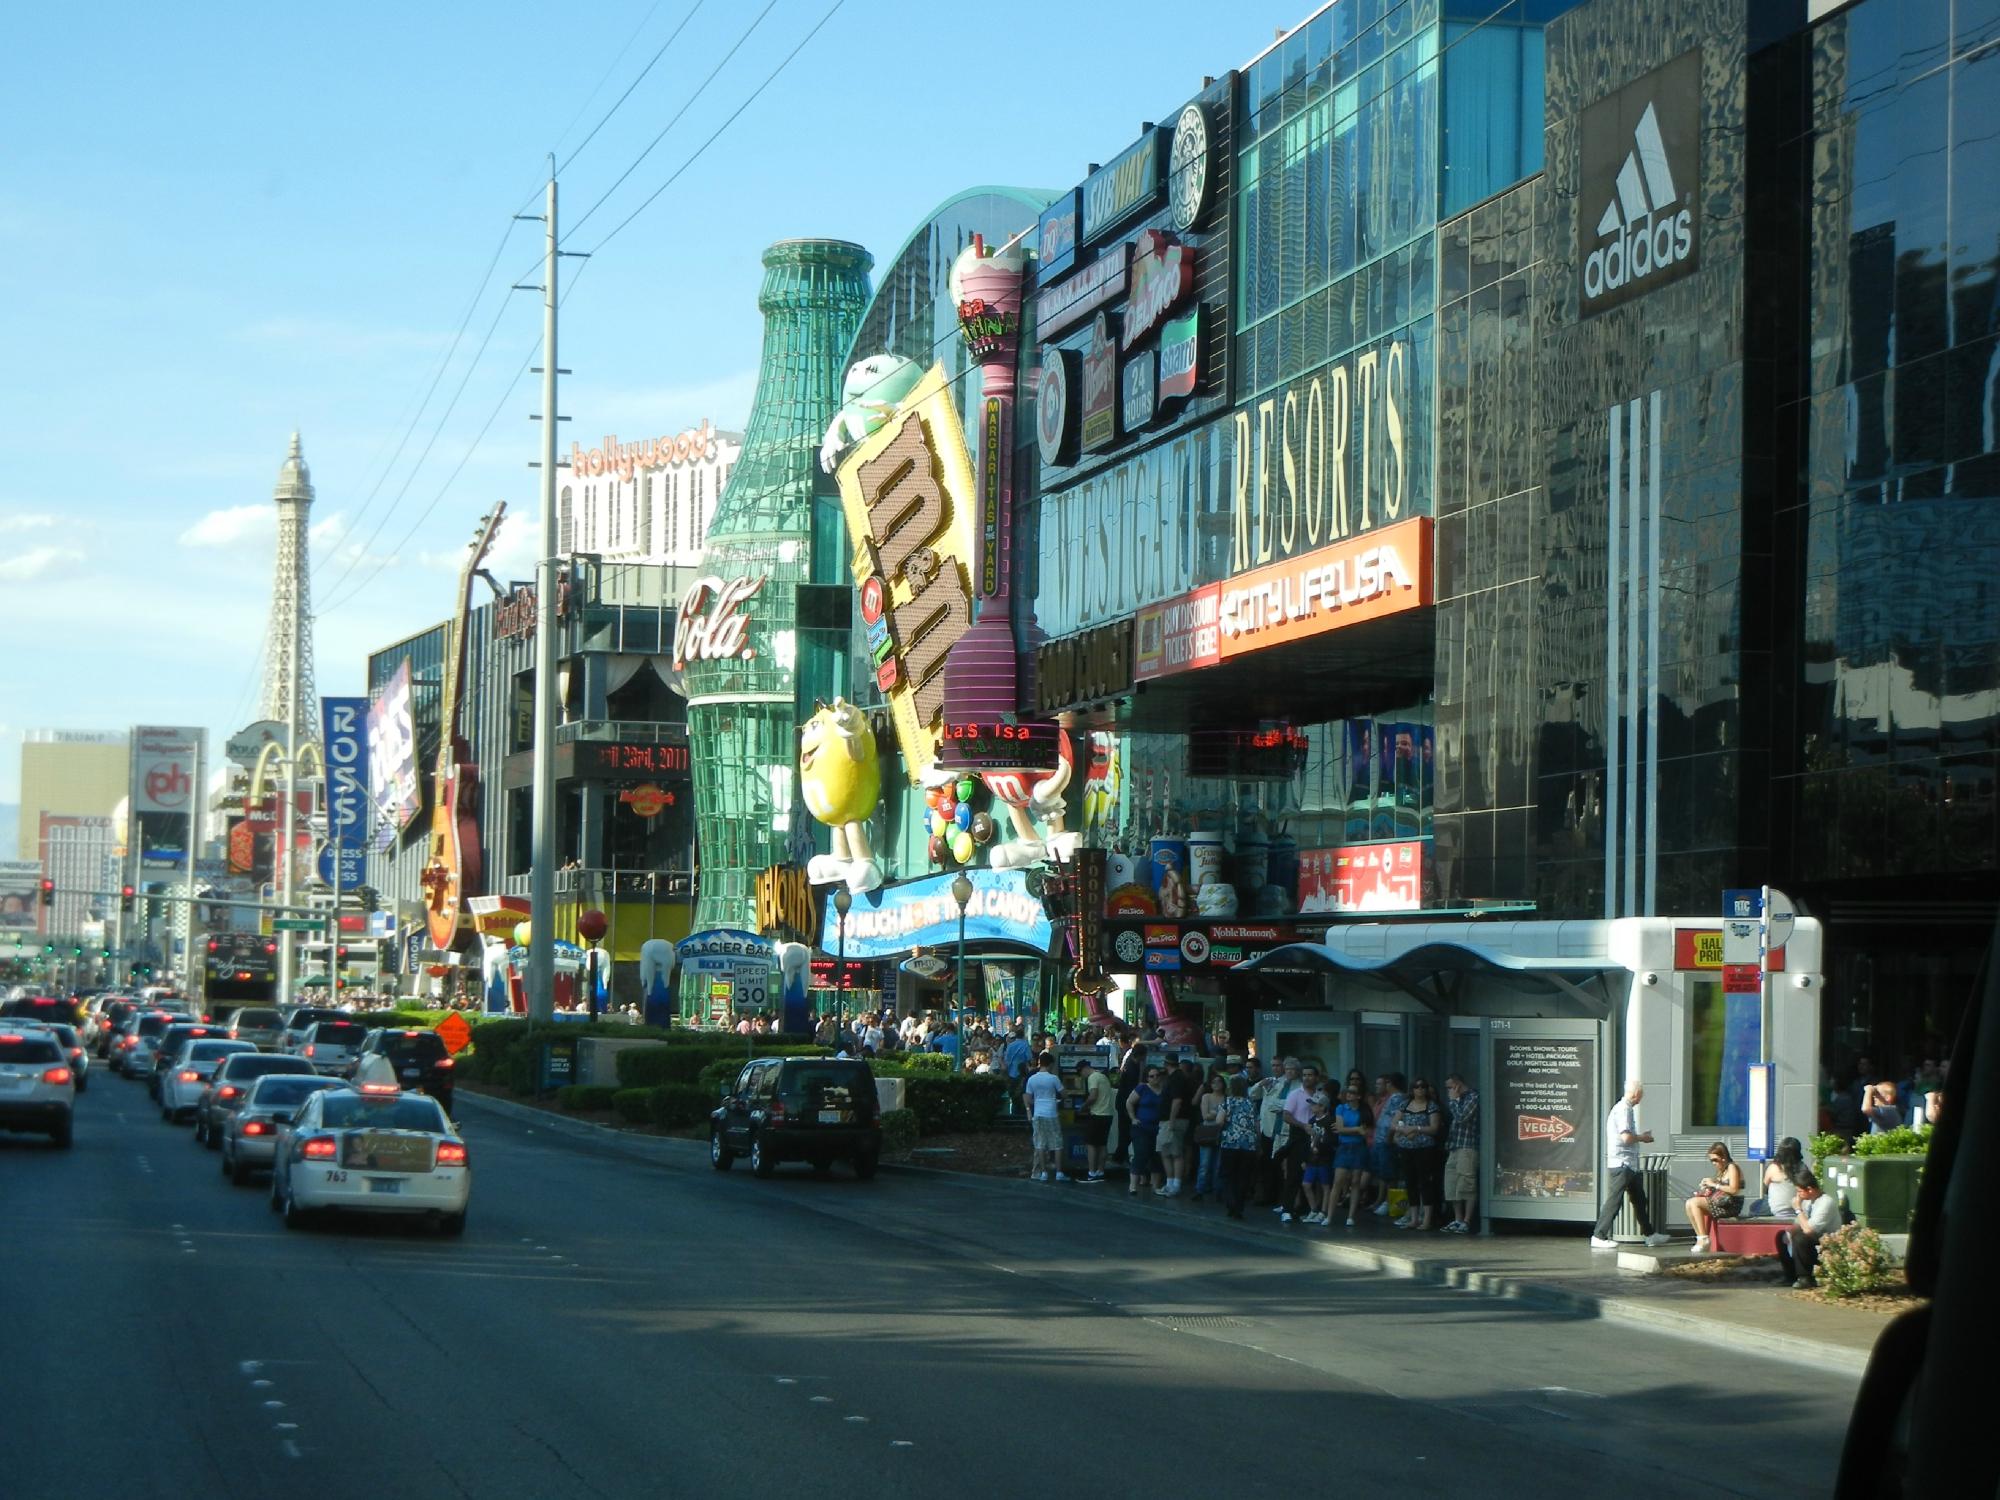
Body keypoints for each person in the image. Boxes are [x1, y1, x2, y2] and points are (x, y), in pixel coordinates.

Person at [1590, 1079, 1673, 1249]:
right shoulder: (1624, 1110)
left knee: (1640, 1199)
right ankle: (1599, 1236)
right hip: (1623, 1163)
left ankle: (1650, 1234)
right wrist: (1643, 1138)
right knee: (1615, 1199)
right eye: (1641, 1095)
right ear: (1636, 1094)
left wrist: (1640, 1136)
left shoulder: (1622, 1109)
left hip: (1628, 1164)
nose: (1640, 1099)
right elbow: (1626, 1137)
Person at [1391, 1078, 1446, 1231]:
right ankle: (1414, 1218)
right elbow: (1394, 1123)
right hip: (1406, 1147)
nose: (1420, 1089)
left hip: (1425, 1148)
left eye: (1423, 1087)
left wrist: (1416, 1128)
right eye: (1417, 1087)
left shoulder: (1432, 1106)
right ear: (1412, 1089)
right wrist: (1404, 1130)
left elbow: (1434, 1128)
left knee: (1425, 1182)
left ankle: (1426, 1219)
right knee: (1410, 1182)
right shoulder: (1405, 1104)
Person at [1775, 1170, 1842, 1289]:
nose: (1798, 1195)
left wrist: (1797, 1209)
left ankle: (1805, 1277)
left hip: (1825, 1242)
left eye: (1800, 1191)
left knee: (1801, 1238)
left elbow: (1809, 1230)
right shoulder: (1808, 1201)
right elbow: (1800, 1223)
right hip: (1813, 1238)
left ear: (1810, 1189)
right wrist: (1789, 1232)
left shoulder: (1826, 1203)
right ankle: (1790, 1275)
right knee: (1782, 1236)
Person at [1685, 1140, 1746, 1251]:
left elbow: (1734, 1189)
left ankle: (1704, 1238)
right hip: (1722, 1202)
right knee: (1689, 1203)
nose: (1713, 1163)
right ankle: (1700, 1237)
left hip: (1730, 1204)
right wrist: (1708, 1188)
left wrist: (1714, 1184)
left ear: (1723, 1157)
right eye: (1711, 1160)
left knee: (1694, 1203)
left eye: (1715, 1160)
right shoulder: (1722, 1170)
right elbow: (1719, 1188)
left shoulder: (1732, 1167)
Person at [1329, 1082, 1373, 1227]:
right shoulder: (1341, 1108)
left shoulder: (1364, 1111)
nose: (1349, 1094)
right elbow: (1340, 1128)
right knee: (1338, 1181)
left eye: (1353, 1092)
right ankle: (1329, 1216)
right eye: (1348, 1091)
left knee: (1355, 1182)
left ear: (1359, 1096)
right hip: (1345, 1146)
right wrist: (1356, 1129)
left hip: (1359, 1147)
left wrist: (1356, 1130)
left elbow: (1367, 1130)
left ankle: (1351, 1216)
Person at [1218, 1074, 1260, 1219]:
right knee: (1244, 1176)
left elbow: (1219, 1121)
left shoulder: (1227, 1102)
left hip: (1230, 1142)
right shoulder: (1251, 1104)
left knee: (1228, 1175)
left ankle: (1231, 1203)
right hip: (1248, 1144)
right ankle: (1239, 1206)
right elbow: (1257, 1125)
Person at [1442, 1073, 1480, 1234]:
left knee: (1467, 1183)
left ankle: (1466, 1220)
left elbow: (1462, 1117)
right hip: (1454, 1145)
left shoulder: (1473, 1097)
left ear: (1457, 1085)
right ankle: (1457, 1219)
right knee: (1452, 1183)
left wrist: (1454, 1100)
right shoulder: (1457, 1100)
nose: (1449, 1091)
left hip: (1468, 1145)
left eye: (1450, 1087)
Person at [1024, 1052, 1068, 1183]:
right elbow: (1064, 1094)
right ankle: (1059, 1173)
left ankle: (1043, 1173)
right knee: (1057, 1143)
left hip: (1038, 1113)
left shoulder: (1032, 1079)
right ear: (1050, 1064)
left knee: (1040, 1144)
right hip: (1052, 1113)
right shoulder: (1053, 1078)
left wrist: (1034, 1105)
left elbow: (1028, 1097)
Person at [1155, 1055, 1195, 1198]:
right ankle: (1171, 1183)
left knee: (1173, 1152)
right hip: (1174, 1119)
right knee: (1167, 1151)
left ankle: (1174, 1184)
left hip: (1173, 1120)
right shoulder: (1179, 1078)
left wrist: (1172, 1120)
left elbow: (1177, 1101)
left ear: (1166, 1064)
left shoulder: (1175, 1079)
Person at [1369, 1072, 1407, 1217]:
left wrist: (1390, 1137)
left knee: (1390, 1173)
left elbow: (1395, 1120)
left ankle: (1389, 1202)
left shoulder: (1397, 1098)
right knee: (1383, 1173)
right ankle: (1381, 1199)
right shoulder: (1391, 1098)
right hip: (1381, 1139)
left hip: (1387, 1140)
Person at [1125, 1065, 1166, 1196]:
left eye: (1157, 1075)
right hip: (1141, 1127)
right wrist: (1133, 1118)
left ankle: (1155, 1186)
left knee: (1156, 1156)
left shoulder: (1164, 1090)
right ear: (1147, 1078)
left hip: (1158, 1127)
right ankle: (1133, 1186)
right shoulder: (1142, 1088)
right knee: (1141, 1154)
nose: (1155, 1078)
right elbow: (1129, 1102)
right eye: (1151, 1076)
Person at [1073, 1056, 1114, 1182]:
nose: (1082, 1076)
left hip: (1097, 1114)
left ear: (1084, 1069)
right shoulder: (1101, 1076)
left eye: (1080, 1072)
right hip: (1107, 1114)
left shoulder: (1092, 1078)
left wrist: (1083, 1107)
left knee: (1091, 1144)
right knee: (1102, 1144)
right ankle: (1100, 1171)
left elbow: (1093, 1096)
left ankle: (1091, 1172)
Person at [1299, 1090, 1336, 1224]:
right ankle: (1313, 1209)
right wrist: (1305, 1158)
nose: (1312, 1106)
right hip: (1312, 1159)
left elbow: (1331, 1141)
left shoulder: (1329, 1121)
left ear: (1322, 1107)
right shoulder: (1312, 1120)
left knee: (1325, 1185)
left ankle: (1323, 1212)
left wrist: (1319, 1147)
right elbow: (1307, 1141)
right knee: (1306, 1184)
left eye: (1314, 1104)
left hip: (1324, 1159)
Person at [1193, 1070, 1227, 1202]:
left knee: (1218, 1164)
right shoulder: (1206, 1096)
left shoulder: (1226, 1098)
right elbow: (1205, 1116)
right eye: (1214, 1082)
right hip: (1208, 1131)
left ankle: (1217, 1190)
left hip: (1221, 1133)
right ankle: (1200, 1189)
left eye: (1219, 1082)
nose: (1216, 1084)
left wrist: (1215, 1113)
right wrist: (1219, 1112)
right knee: (1205, 1163)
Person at [1754, 1136, 1805, 1218]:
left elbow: (1764, 1187)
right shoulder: (1802, 1167)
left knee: (1754, 1207)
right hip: (1798, 1208)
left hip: (1776, 1209)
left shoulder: (1774, 1167)